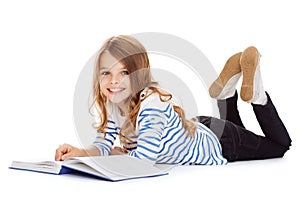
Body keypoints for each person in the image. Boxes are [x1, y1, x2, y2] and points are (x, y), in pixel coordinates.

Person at [55, 35, 291, 165]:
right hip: (199, 128)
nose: (113, 81)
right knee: (241, 131)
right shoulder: (114, 102)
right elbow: (104, 145)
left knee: (280, 146)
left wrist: (120, 156)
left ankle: (257, 95)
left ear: (140, 75)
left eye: (124, 72)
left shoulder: (151, 107)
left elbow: (144, 162)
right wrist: (82, 153)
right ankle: (225, 95)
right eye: (106, 72)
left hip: (219, 143)